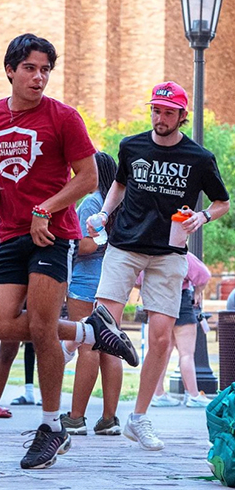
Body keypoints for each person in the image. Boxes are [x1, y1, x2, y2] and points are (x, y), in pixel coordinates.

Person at [0, 33, 138, 469]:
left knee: (43, 326)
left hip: (54, 234)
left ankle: (51, 427)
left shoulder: (63, 117)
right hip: (9, 234)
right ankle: (88, 332)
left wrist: (45, 208)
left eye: (45, 69)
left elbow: (87, 178)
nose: (39, 77)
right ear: (10, 70)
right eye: (30, 68)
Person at [87, 81, 229, 450]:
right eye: (156, 110)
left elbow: (221, 202)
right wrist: (104, 213)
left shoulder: (200, 158)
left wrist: (204, 217)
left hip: (169, 252)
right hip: (125, 245)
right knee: (103, 325)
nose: (160, 117)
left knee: (162, 337)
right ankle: (83, 413)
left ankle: (139, 417)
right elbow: (118, 185)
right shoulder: (131, 146)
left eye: (168, 112)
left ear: (182, 116)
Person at [62, 152, 122, 436]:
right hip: (115, 282)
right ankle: (109, 418)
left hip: (87, 282)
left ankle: (75, 418)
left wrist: (70, 244)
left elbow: (85, 245)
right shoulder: (120, 203)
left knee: (87, 346)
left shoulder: (91, 203)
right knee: (111, 347)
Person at [151, 252, 212, 408]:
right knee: (186, 353)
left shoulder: (150, 252)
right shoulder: (180, 253)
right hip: (180, 298)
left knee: (163, 350)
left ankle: (158, 394)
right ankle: (193, 395)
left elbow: (138, 279)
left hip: (158, 300)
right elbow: (204, 275)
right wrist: (198, 292)